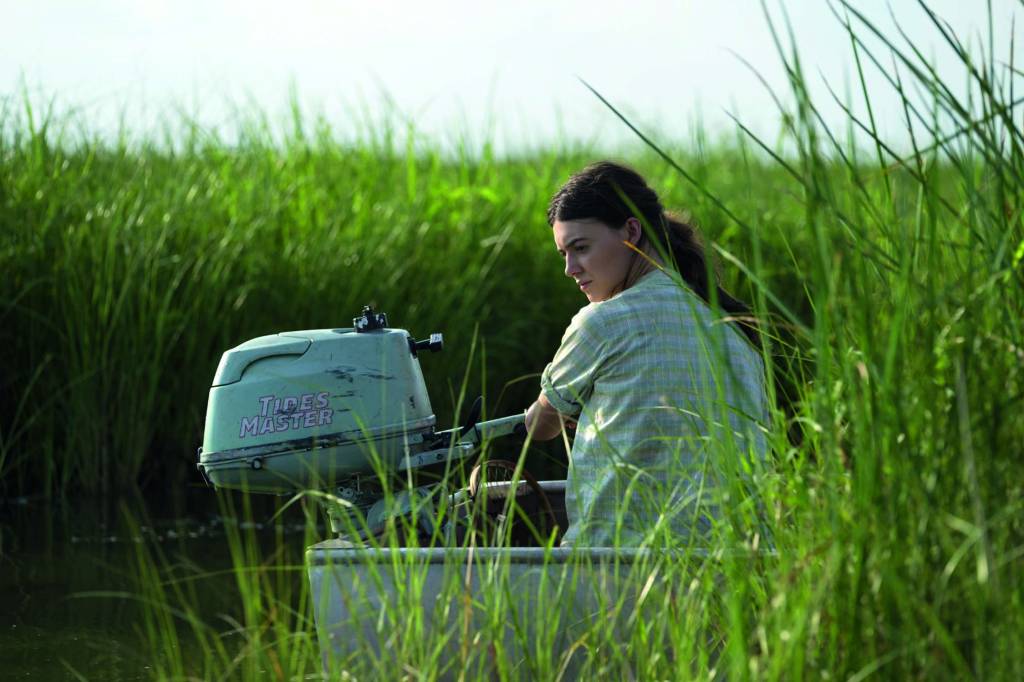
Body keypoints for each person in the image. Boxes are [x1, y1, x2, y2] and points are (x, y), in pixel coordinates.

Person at [524, 161, 769, 547]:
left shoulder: (601, 322)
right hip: (740, 561)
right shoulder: (734, 329)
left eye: (581, 248)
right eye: (563, 255)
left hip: (621, 564)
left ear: (631, 232)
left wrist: (557, 411)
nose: (571, 269)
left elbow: (540, 426)